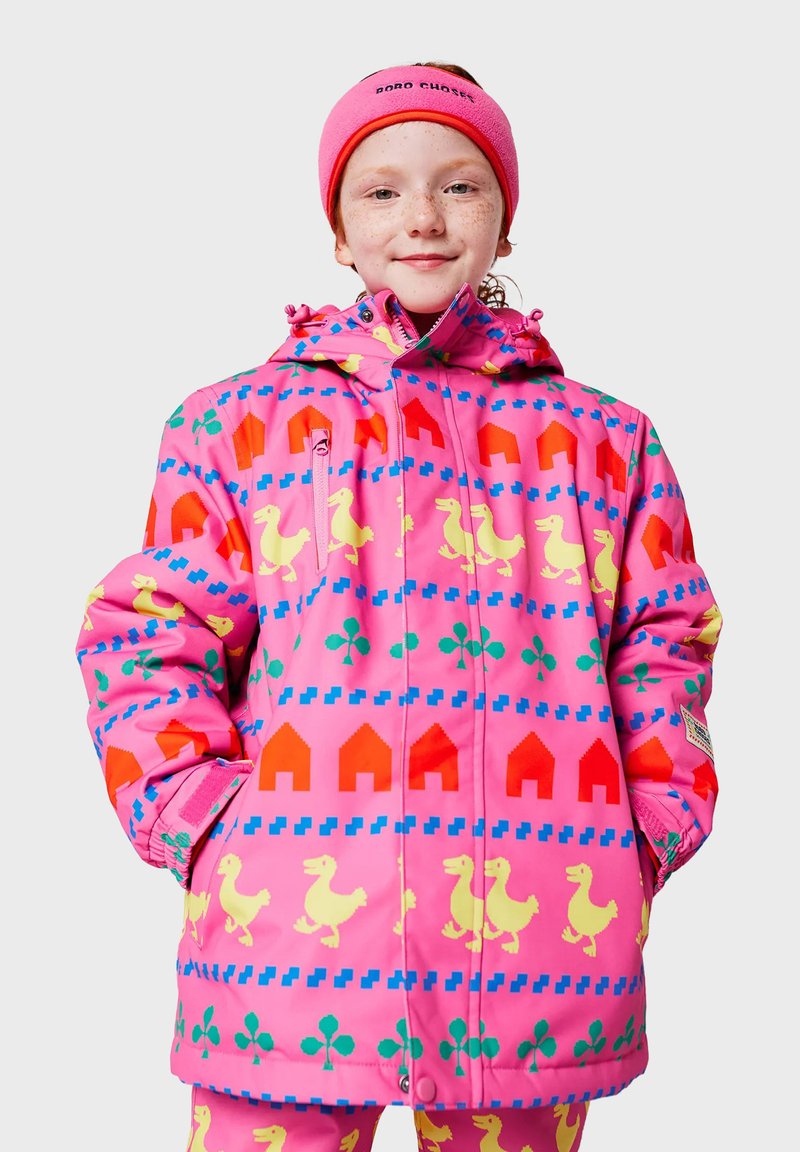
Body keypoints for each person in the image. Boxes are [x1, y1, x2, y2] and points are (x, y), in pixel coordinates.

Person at [75, 61, 723, 1151]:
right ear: (336, 230)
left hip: (539, 931)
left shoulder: (604, 441)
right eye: (380, 190)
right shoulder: (236, 425)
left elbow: (663, 643)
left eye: (460, 185)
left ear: (505, 219)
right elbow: (151, 632)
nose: (421, 217)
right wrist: (197, 818)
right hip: (290, 935)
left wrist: (643, 832)